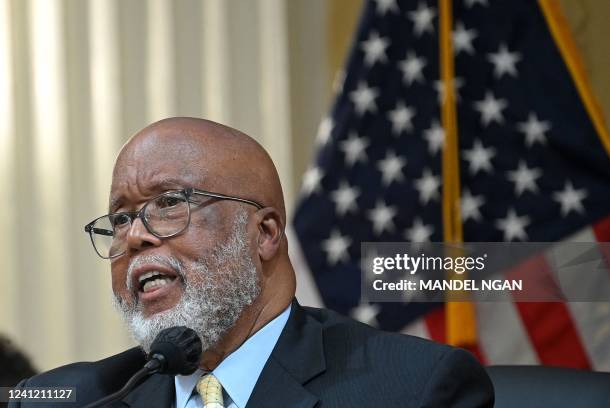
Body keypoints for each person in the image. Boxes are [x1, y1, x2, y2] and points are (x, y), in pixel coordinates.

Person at [10, 118, 494, 407]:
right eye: (119, 219)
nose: (134, 235)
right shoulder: (75, 398)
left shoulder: (413, 389)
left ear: (263, 234)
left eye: (169, 203)